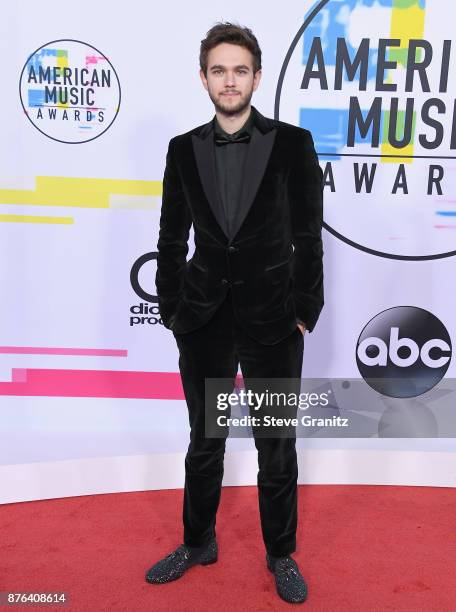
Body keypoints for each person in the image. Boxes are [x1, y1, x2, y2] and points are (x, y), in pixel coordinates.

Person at [145, 21, 324, 605]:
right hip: (203, 318)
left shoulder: (294, 144)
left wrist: (303, 309)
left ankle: (281, 554)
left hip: (274, 317)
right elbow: (170, 240)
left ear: (256, 76)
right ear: (204, 78)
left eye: (239, 69)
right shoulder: (181, 149)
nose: (229, 80)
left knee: (277, 443)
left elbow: (308, 235)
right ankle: (198, 541)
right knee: (205, 439)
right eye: (218, 70)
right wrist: (175, 309)